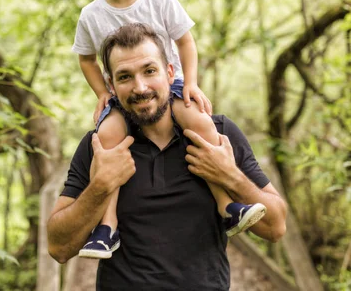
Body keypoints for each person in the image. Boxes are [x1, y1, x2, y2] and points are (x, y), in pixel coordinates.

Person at [71, 0, 266, 260]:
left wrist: (190, 83)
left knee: (200, 121)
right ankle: (107, 227)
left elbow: (186, 42)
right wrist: (102, 92)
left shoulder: (160, 1)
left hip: (169, 88)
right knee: (108, 139)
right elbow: (86, 58)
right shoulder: (91, 15)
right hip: (123, 96)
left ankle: (226, 206)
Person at [49, 24, 287, 290]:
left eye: (149, 71)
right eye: (125, 77)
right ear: (111, 87)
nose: (140, 87)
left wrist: (229, 175)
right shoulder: (100, 147)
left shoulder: (218, 134)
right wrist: (100, 187)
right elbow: (59, 247)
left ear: (170, 73)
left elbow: (275, 227)